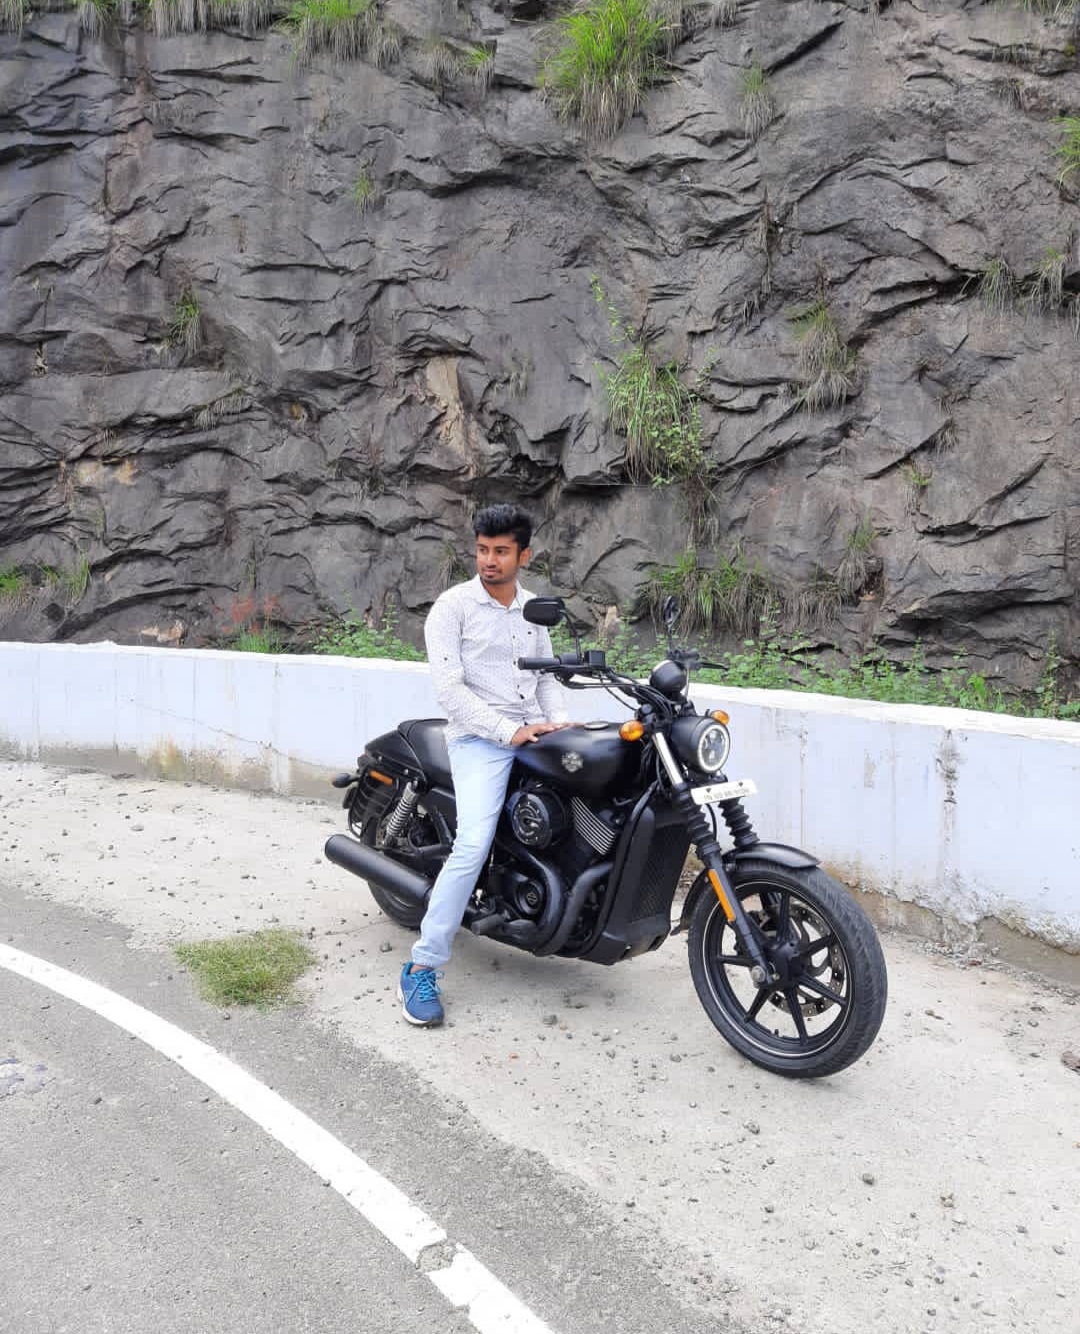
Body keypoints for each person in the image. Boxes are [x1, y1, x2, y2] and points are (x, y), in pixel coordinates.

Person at [397, 503, 571, 1027]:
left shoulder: (533, 609)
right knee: (473, 843)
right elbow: (450, 691)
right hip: (479, 740)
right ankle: (422, 966)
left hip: (533, 735)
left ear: (524, 555)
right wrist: (506, 731)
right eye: (482, 550)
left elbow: (546, 676)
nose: (489, 560)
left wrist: (560, 722)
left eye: (501, 551)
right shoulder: (452, 608)